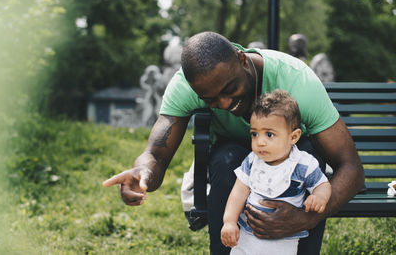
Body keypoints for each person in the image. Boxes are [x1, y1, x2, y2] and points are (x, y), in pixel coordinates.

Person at [103, 31, 364, 255]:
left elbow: (351, 168)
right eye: (211, 99)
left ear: (242, 60)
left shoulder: (296, 80)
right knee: (225, 159)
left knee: (310, 158)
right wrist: (143, 172)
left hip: (292, 161)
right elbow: (156, 155)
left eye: (229, 89)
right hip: (233, 162)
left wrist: (306, 219)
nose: (225, 104)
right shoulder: (187, 85)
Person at [221, 90, 332, 255]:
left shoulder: (302, 164)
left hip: (282, 240)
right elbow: (239, 191)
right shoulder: (252, 161)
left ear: (293, 137)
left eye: (269, 134)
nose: (260, 142)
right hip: (247, 236)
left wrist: (319, 196)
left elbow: (323, 184)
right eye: (254, 134)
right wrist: (229, 221)